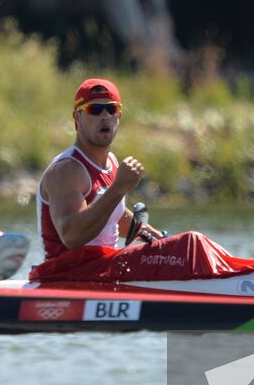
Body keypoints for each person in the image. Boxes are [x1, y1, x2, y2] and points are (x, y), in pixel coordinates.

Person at [36, 78, 163, 261]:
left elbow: (113, 215)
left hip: (104, 270)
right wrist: (118, 188)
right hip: (66, 276)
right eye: (94, 109)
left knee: (187, 244)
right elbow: (72, 236)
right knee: (191, 243)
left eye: (111, 109)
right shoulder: (66, 170)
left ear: (118, 116)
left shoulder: (111, 161)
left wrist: (161, 239)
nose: (105, 116)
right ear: (77, 117)